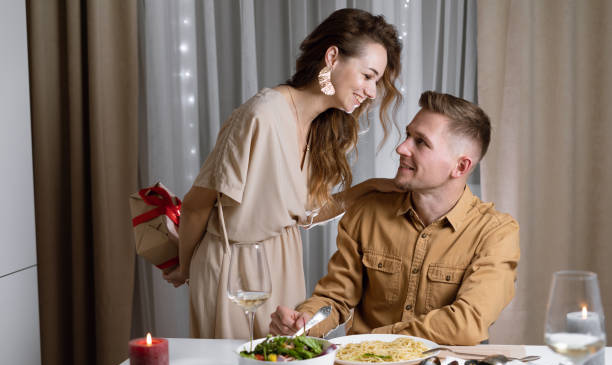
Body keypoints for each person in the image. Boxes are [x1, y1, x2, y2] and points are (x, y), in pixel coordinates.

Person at [162, 8, 404, 339]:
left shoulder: (323, 128)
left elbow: (303, 214)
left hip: (284, 267)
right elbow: (197, 205)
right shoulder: (261, 115)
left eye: (376, 81)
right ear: (332, 57)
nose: (373, 92)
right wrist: (186, 267)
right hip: (235, 273)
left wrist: (371, 188)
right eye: (368, 76)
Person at [269, 91, 520, 346]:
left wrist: (374, 339)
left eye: (421, 142)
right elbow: (335, 299)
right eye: (408, 135)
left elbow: (467, 323)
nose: (401, 148)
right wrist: (305, 321)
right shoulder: (368, 211)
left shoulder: (496, 233)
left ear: (460, 167)